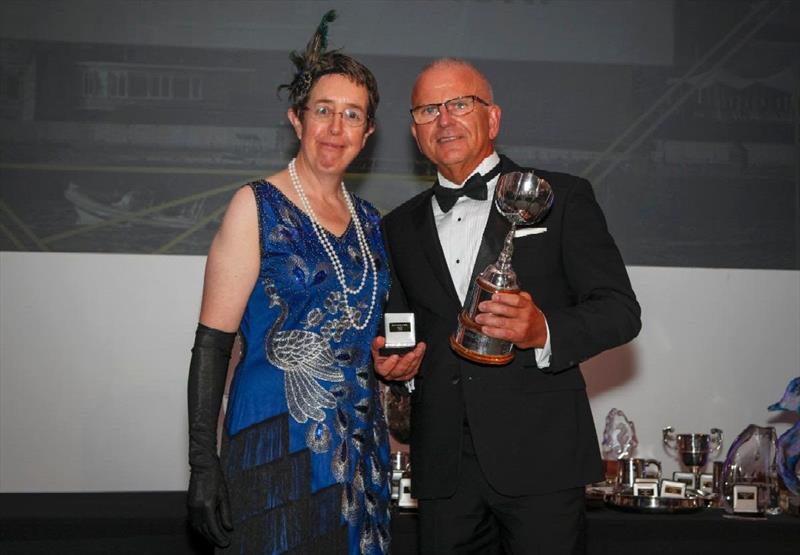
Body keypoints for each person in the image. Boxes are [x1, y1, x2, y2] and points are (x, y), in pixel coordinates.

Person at [372, 58, 641, 554]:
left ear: (492, 119)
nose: (445, 120)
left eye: (459, 104)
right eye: (429, 110)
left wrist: (543, 331)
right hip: (443, 468)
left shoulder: (562, 197)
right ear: (414, 131)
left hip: (542, 458)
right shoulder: (397, 227)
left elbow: (620, 310)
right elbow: (404, 326)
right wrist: (396, 366)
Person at [187, 12, 421, 554]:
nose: (336, 129)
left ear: (368, 133)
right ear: (298, 119)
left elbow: (373, 339)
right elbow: (212, 345)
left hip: (359, 462)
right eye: (323, 111)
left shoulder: (371, 224)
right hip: (273, 452)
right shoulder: (254, 207)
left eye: (351, 115)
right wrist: (203, 464)